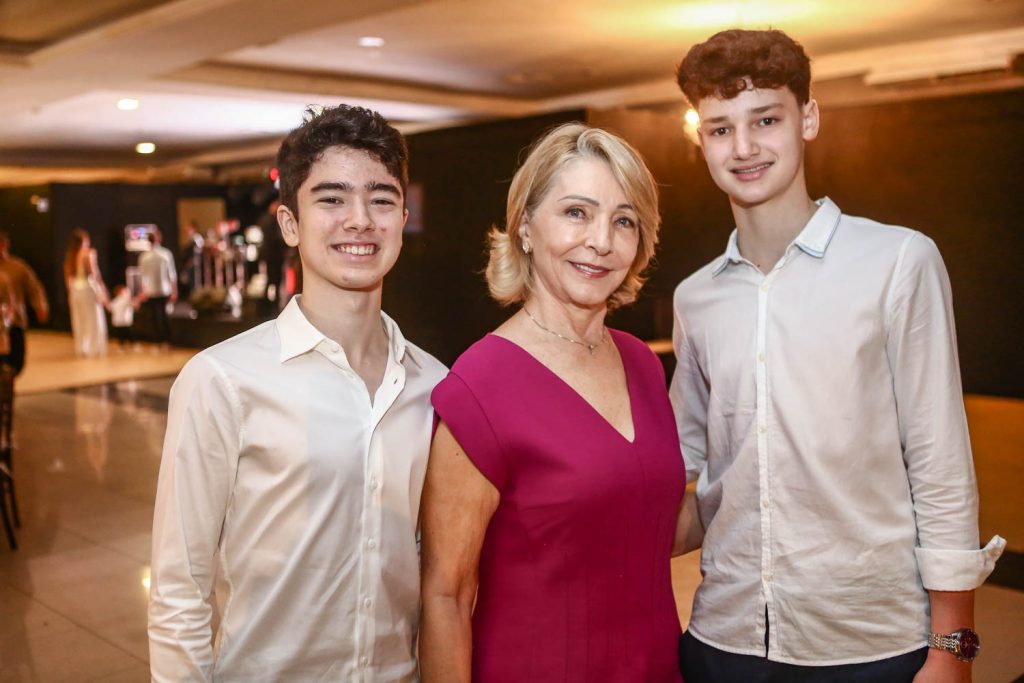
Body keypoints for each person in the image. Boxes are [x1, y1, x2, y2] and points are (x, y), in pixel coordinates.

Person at [669, 29, 1005, 683]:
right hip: (725, 636)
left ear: (809, 119)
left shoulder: (899, 261)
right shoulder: (696, 297)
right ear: (701, 140)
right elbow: (681, 463)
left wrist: (952, 647)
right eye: (720, 129)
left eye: (766, 120)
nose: (743, 148)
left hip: (868, 641)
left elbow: (939, 465)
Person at [148, 104, 447, 682]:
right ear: (290, 223)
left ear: (402, 218)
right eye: (332, 199)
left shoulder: (434, 385)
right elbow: (179, 588)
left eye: (381, 200)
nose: (360, 220)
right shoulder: (222, 380)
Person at [420, 123, 688, 682]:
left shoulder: (640, 363)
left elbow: (642, 530)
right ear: (524, 226)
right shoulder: (482, 383)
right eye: (576, 213)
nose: (601, 241)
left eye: (623, 221)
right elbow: (447, 594)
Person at [0, 231, 49, 374]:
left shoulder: (18, 267)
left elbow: (34, 287)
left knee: (17, 362)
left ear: (5, 246)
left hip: (16, 322)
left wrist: (40, 306)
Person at [64, 229, 109, 357]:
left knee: (79, 320)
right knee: (93, 319)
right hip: (88, 289)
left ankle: (82, 348)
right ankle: (93, 349)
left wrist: (70, 293)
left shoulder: (70, 256)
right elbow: (94, 274)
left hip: (75, 291)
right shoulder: (89, 253)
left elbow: (68, 278)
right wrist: (102, 290)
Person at [136, 229, 177, 345]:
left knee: (154, 317)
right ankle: (166, 340)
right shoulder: (166, 254)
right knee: (163, 315)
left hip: (151, 290)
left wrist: (143, 291)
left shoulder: (144, 257)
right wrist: (174, 290)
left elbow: (142, 277)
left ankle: (158, 340)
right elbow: (172, 274)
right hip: (163, 289)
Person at [108, 285, 136, 349]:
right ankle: (126, 344)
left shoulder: (117, 300)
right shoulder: (121, 300)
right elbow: (134, 304)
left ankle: (124, 344)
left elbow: (109, 308)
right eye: (125, 291)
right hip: (122, 321)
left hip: (121, 321)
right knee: (126, 333)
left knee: (124, 334)